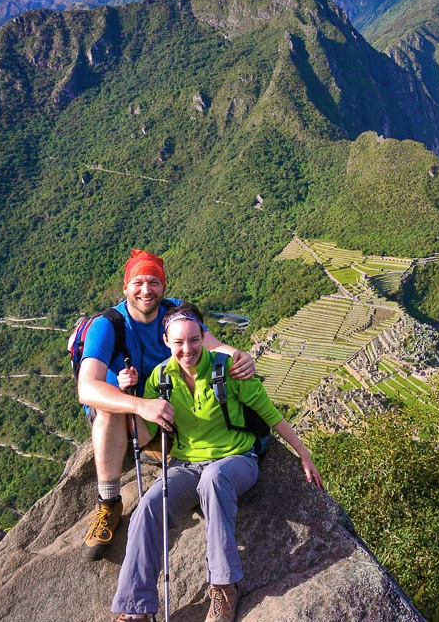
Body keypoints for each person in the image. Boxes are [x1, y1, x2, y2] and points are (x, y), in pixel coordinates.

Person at [111, 303, 323, 622]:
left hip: (236, 460)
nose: (187, 349)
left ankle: (223, 586)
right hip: (186, 464)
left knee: (214, 477)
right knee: (148, 506)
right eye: (178, 342)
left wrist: (303, 453)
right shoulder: (160, 378)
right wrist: (132, 400)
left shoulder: (228, 369)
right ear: (166, 341)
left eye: (194, 340)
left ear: (203, 337)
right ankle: (135, 609)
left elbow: (269, 413)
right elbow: (144, 435)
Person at [78, 249, 256, 560]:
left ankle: (174, 451)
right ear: (125, 287)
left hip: (170, 409)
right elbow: (87, 388)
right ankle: (108, 504)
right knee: (109, 407)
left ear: (164, 287)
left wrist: (241, 358)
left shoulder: (174, 314)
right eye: (138, 283)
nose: (146, 290)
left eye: (154, 283)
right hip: (132, 413)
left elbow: (214, 348)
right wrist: (139, 405)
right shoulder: (108, 326)